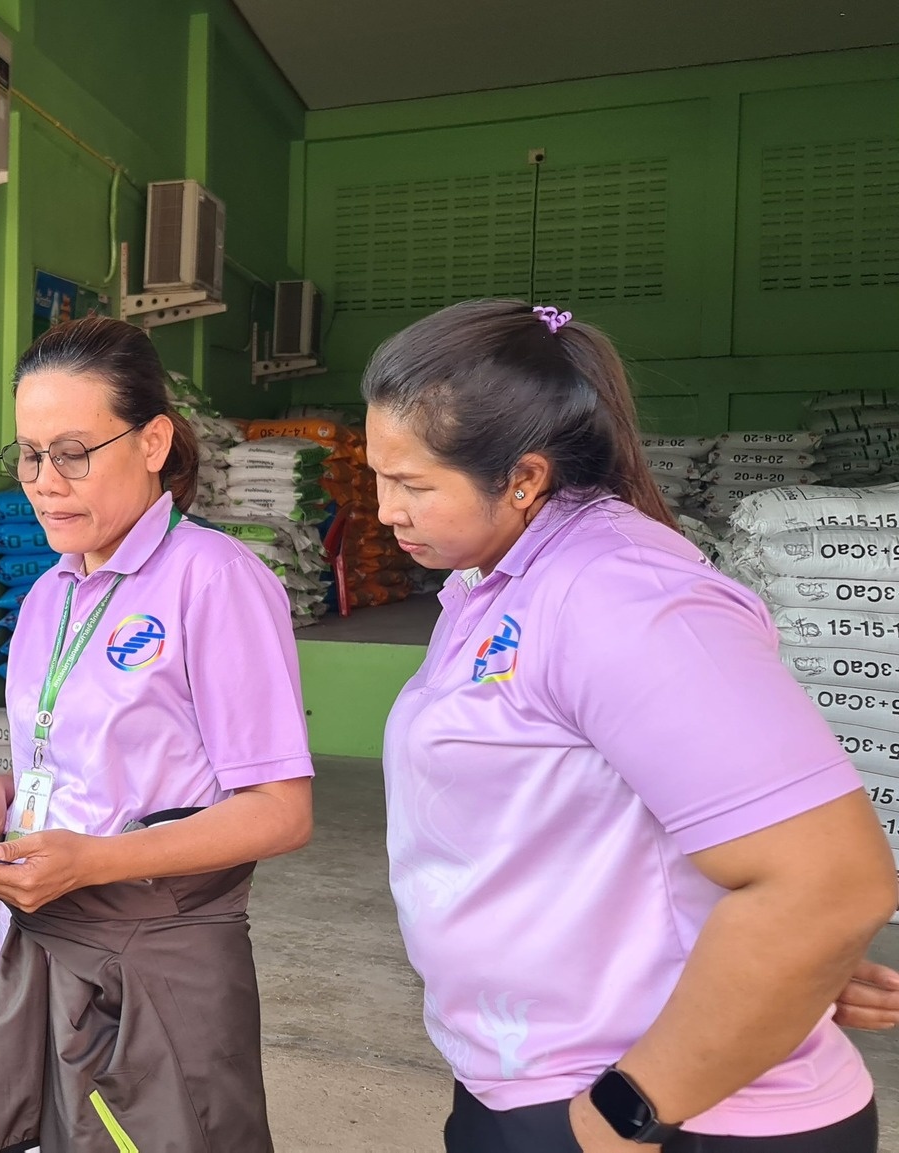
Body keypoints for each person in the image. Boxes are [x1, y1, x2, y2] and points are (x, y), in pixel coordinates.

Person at [365, 300, 894, 1152]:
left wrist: (622, 1116)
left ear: (524, 478)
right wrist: (784, 968)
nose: (386, 509)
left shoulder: (623, 595)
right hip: (536, 1075)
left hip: (656, 1110)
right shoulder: (495, 583)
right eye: (379, 475)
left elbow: (829, 883)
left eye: (413, 484)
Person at [0, 316, 316, 1152]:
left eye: (73, 452)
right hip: (36, 939)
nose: (45, 482)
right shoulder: (50, 595)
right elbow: (75, 761)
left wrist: (94, 861)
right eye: (30, 454)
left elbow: (280, 810)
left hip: (155, 960)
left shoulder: (215, 579)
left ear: (153, 442)